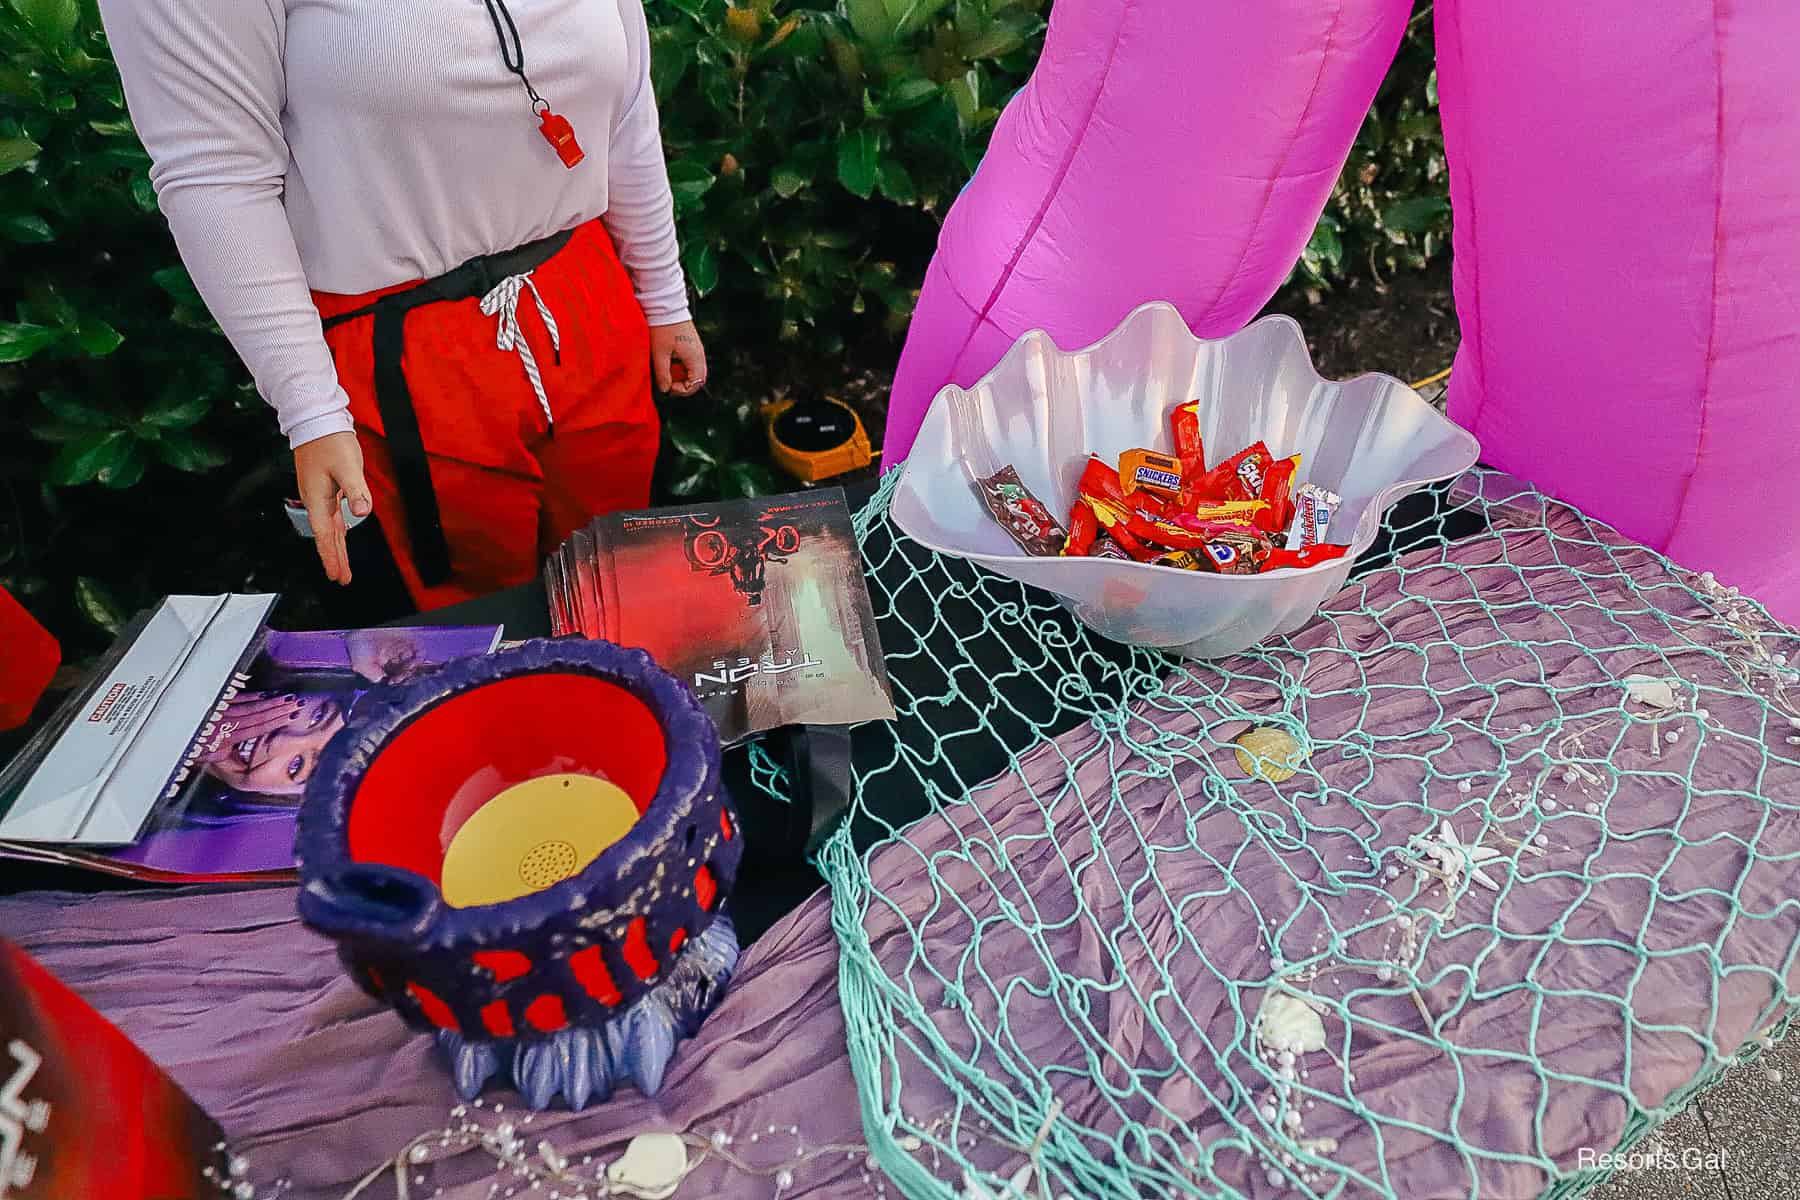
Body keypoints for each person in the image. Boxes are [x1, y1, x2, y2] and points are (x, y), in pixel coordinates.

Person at [96, 0, 708, 609]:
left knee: (619, 593)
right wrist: (311, 410)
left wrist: (661, 293)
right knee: (475, 642)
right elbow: (213, 171)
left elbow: (625, 104)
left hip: (585, 295)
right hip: (407, 351)